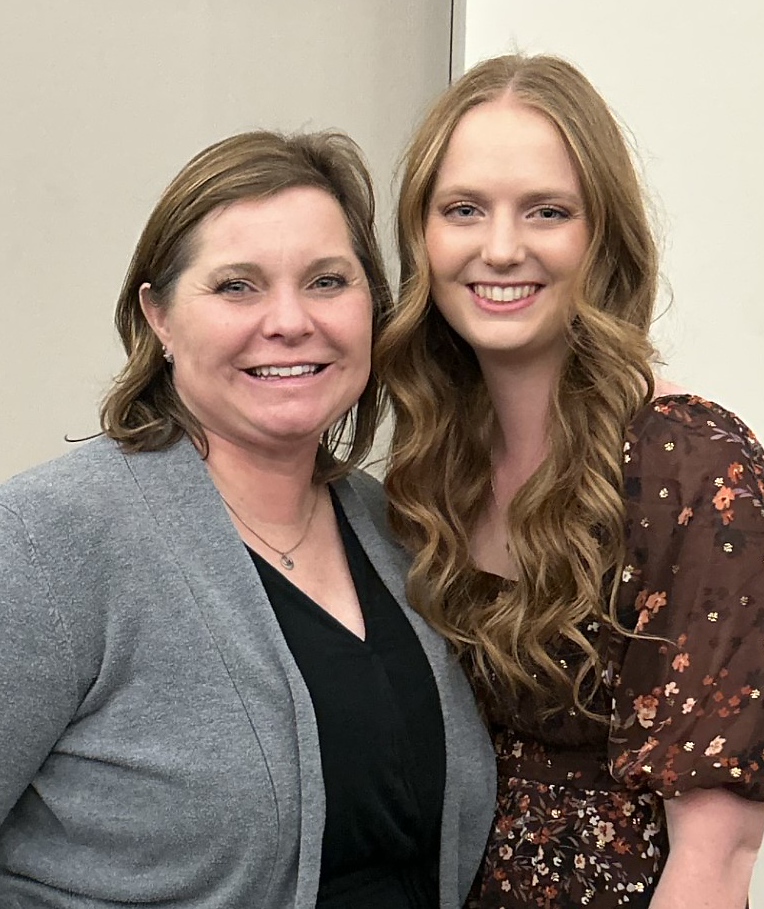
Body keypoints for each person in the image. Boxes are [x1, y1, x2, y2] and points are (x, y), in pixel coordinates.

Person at [0, 129, 496, 909]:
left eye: (328, 281)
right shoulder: (47, 540)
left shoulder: (398, 530)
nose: (290, 321)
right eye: (238, 286)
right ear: (158, 317)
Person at [377, 54, 764, 909]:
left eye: (546, 211)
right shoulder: (432, 462)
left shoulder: (693, 463)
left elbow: (716, 860)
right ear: (421, 235)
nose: (500, 247)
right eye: (463, 209)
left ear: (600, 235)